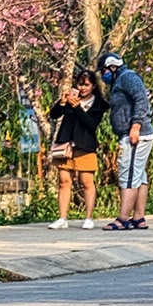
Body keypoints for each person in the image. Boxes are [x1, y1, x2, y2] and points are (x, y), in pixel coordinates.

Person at [46, 68, 108, 230]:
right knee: (64, 181)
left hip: (85, 146)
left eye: (86, 85)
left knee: (86, 182)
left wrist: (78, 108)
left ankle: (88, 217)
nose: (82, 88)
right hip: (66, 145)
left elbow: (91, 124)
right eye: (80, 84)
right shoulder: (72, 98)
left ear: (93, 86)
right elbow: (53, 115)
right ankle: (62, 218)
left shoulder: (99, 103)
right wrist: (62, 102)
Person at [99, 51, 153, 230]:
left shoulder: (127, 78)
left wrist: (136, 125)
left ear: (113, 67)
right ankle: (138, 218)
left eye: (104, 71)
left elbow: (141, 99)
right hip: (133, 133)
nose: (103, 75)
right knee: (139, 176)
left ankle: (122, 219)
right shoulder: (119, 81)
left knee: (128, 175)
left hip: (135, 134)